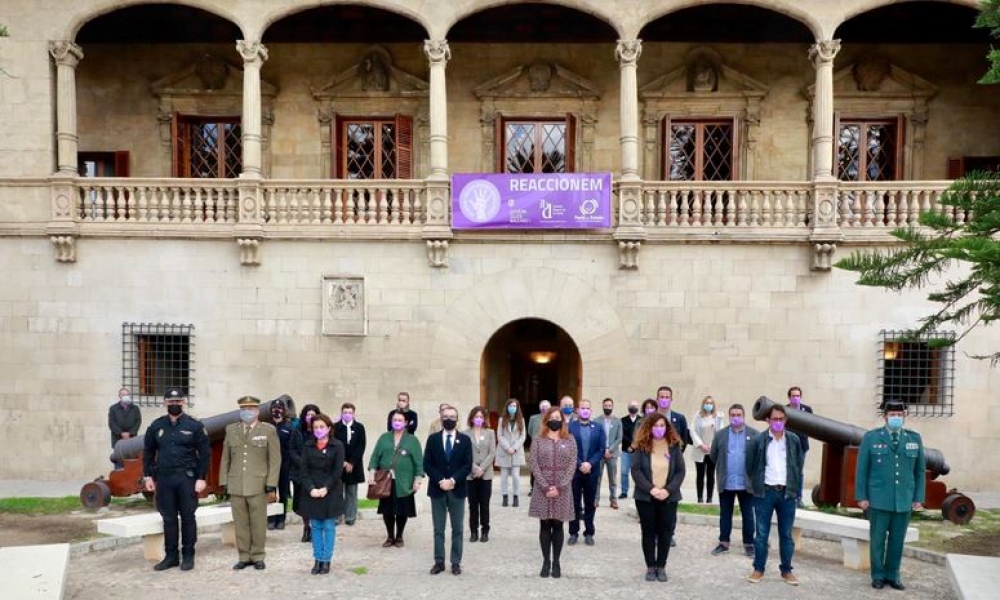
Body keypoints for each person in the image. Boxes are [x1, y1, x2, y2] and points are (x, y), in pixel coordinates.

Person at [856, 400, 925, 591]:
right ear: (885, 416)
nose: (896, 417)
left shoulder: (914, 439)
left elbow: (919, 471)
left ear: (904, 416)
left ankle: (893, 575)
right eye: (892, 414)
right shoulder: (871, 438)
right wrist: (861, 496)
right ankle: (878, 575)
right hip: (878, 499)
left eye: (899, 414)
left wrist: (918, 497)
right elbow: (862, 470)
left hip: (903, 499)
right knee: (877, 540)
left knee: (897, 541)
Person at [142, 387, 210, 571]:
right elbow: (148, 452)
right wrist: (147, 475)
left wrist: (201, 478)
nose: (174, 405)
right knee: (169, 518)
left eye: (178, 401)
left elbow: (205, 454)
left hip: (186, 478)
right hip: (164, 479)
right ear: (165, 403)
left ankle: (188, 554)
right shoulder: (156, 426)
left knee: (188, 517)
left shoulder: (194, 426)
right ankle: (171, 556)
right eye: (171, 402)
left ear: (184, 402)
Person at [219, 396, 281, 571]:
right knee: (240, 523)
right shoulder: (231, 430)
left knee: (258, 523)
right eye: (244, 409)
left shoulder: (268, 430)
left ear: (257, 411)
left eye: (251, 409)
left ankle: (258, 555)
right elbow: (226, 458)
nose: (247, 412)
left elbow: (275, 460)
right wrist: (224, 480)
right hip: (236, 484)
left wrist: (271, 483)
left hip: (258, 485)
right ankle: (244, 556)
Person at [746, 403, 804, 586]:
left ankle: (786, 570)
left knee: (786, 534)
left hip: (787, 493)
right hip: (765, 493)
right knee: (761, 534)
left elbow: (798, 465)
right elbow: (749, 466)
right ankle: (758, 569)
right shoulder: (758, 440)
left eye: (781, 419)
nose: (778, 422)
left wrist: (793, 487)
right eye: (774, 419)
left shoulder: (793, 440)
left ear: (785, 420)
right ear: (767, 420)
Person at [631, 412, 686, 582]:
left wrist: (668, 490)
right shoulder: (641, 445)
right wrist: (651, 489)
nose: (659, 429)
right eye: (655, 426)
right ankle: (650, 566)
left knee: (665, 532)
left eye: (662, 426)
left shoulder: (674, 445)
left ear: (667, 427)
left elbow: (680, 471)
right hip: (646, 497)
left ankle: (661, 566)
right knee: (648, 532)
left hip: (668, 497)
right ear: (649, 427)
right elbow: (636, 470)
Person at [424, 404, 474, 575]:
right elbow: (427, 464)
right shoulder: (433, 440)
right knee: (438, 528)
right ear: (441, 418)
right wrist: (441, 480)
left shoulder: (465, 440)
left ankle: (455, 562)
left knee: (458, 528)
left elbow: (467, 465)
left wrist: (452, 480)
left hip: (457, 489)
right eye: (445, 417)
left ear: (457, 419)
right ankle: (439, 561)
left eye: (452, 417)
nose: (449, 420)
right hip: (437, 490)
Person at [528, 405, 577, 579]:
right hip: (543, 487)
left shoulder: (570, 439)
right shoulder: (538, 439)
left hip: (562, 488)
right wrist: (544, 485)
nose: (555, 420)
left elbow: (572, 464)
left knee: (558, 525)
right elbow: (533, 463)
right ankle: (545, 561)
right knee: (545, 525)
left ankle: (556, 561)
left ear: (562, 421)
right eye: (552, 417)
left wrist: (561, 486)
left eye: (558, 417)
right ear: (547, 419)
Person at [709, 403, 759, 557]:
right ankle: (723, 543)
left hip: (747, 483)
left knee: (748, 515)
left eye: (739, 415)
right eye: (733, 415)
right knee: (725, 514)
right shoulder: (720, 435)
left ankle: (749, 544)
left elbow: (758, 458)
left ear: (743, 416)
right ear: (729, 416)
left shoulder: (754, 434)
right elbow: (713, 456)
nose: (736, 418)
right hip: (727, 482)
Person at [369, 409, 424, 547]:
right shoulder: (384, 437)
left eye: (400, 420)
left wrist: (417, 479)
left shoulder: (412, 440)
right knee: (387, 510)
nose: (397, 422)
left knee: (402, 510)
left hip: (404, 482)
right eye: (394, 420)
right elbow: (375, 457)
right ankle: (389, 536)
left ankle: (399, 536)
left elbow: (418, 462)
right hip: (385, 481)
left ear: (405, 423)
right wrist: (371, 474)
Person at [298, 413, 345, 575]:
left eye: (322, 427)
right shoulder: (308, 445)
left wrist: (326, 488)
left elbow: (337, 471)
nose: (318, 430)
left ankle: (326, 560)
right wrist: (311, 488)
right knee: (316, 526)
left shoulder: (337, 446)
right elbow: (303, 471)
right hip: (312, 491)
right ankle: (317, 559)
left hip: (330, 491)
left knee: (328, 525)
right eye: (316, 427)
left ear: (329, 428)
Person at [567, 398, 606, 546]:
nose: (585, 410)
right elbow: (568, 448)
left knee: (590, 503)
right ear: (577, 410)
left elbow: (601, 449)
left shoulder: (598, 427)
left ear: (591, 410)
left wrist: (590, 463)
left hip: (592, 471)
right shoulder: (570, 427)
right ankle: (573, 532)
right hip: (575, 472)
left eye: (588, 408)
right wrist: (579, 464)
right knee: (574, 503)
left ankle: (589, 532)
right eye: (582, 408)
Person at [268, 396, 302, 530]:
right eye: (274, 409)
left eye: (279, 409)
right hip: (269, 466)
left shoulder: (289, 428)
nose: (277, 411)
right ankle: (270, 519)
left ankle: (281, 519)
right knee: (270, 492)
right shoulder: (267, 427)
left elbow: (294, 448)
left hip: (284, 466)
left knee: (283, 493)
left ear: (284, 411)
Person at [465, 405, 495, 542]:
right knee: (472, 504)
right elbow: (464, 455)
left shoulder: (490, 433)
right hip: (470, 475)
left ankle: (485, 531)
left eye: (481, 417)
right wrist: (474, 468)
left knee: (484, 504)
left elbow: (492, 453)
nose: (478, 419)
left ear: (484, 419)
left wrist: (481, 468)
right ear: (471, 418)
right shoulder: (465, 434)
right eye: (476, 416)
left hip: (486, 474)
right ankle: (473, 531)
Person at [332, 402, 366, 526]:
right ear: (341, 413)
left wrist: (351, 462)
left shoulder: (359, 427)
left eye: (350, 412)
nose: (347, 415)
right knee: (338, 491)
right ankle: (336, 516)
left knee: (351, 491)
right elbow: (334, 445)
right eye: (345, 412)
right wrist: (342, 461)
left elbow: (361, 446)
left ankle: (350, 516)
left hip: (354, 465)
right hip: (339, 464)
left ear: (354, 414)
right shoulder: (335, 427)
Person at [294, 403, 321, 543]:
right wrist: (302, 462)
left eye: (313, 414)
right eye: (308, 414)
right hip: (301, 472)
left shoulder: (321, 431)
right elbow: (291, 450)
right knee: (303, 502)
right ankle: (306, 528)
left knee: (315, 501)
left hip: (317, 471)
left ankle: (315, 528)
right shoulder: (297, 430)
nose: (310, 417)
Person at [691, 396, 724, 503]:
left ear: (713, 405)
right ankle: (699, 498)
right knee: (700, 474)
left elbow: (720, 432)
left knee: (710, 474)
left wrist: (712, 445)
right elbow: (693, 431)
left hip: (712, 450)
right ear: (703, 404)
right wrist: (701, 445)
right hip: (700, 450)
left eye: (710, 403)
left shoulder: (718, 417)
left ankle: (709, 498)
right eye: (706, 403)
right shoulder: (697, 416)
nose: (708, 405)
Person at [785, 386, 813, 508]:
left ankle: (798, 497)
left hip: (801, 445)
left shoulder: (807, 409)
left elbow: (812, 425)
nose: (795, 398)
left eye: (797, 396)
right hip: (787, 444)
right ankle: (787, 495)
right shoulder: (785, 409)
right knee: (788, 470)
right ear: (789, 397)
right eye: (793, 396)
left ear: (800, 397)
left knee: (799, 471)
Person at [495, 398, 526, 507]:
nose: (512, 408)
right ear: (507, 407)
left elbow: (523, 436)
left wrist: (515, 447)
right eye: (510, 406)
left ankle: (516, 497)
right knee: (503, 476)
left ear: (517, 408)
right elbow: (499, 435)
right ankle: (504, 496)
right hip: (504, 451)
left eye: (514, 406)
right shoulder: (501, 419)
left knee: (515, 476)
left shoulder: (521, 420)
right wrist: (507, 447)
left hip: (516, 452)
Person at [594, 397, 623, 508]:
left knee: (613, 479)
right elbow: (596, 437)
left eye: (609, 406)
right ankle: (596, 500)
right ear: (602, 406)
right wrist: (603, 450)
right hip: (600, 453)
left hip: (612, 454)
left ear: (612, 406)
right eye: (606, 406)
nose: (607, 408)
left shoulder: (618, 421)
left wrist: (610, 449)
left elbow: (619, 438)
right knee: (597, 478)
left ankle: (613, 500)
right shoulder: (597, 420)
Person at [526, 399, 551, 496]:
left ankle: (546, 487)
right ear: (540, 407)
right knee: (534, 468)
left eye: (546, 406)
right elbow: (529, 431)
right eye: (543, 406)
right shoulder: (533, 418)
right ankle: (533, 488)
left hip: (548, 446)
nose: (544, 408)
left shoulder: (552, 418)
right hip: (535, 446)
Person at [619, 400, 641, 498]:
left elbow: (641, 435)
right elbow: (621, 434)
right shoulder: (622, 420)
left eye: (635, 406)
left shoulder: (641, 420)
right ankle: (624, 492)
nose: (633, 407)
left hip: (638, 451)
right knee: (624, 472)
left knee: (637, 472)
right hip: (625, 450)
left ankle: (638, 492)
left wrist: (634, 445)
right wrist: (629, 445)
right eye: (631, 406)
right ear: (628, 407)